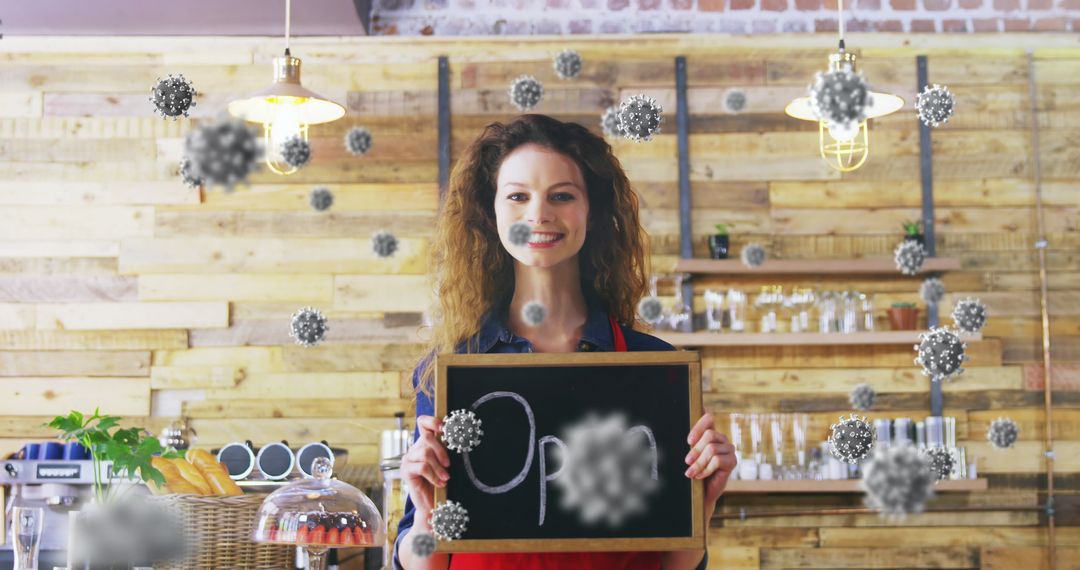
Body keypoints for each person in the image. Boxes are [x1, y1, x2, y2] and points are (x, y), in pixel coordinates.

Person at [393, 114, 736, 570]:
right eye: (517, 196)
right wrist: (427, 512)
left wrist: (701, 506)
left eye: (562, 195)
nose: (538, 214)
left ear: (591, 212)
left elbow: (672, 562)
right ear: (489, 212)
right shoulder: (451, 370)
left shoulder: (657, 369)